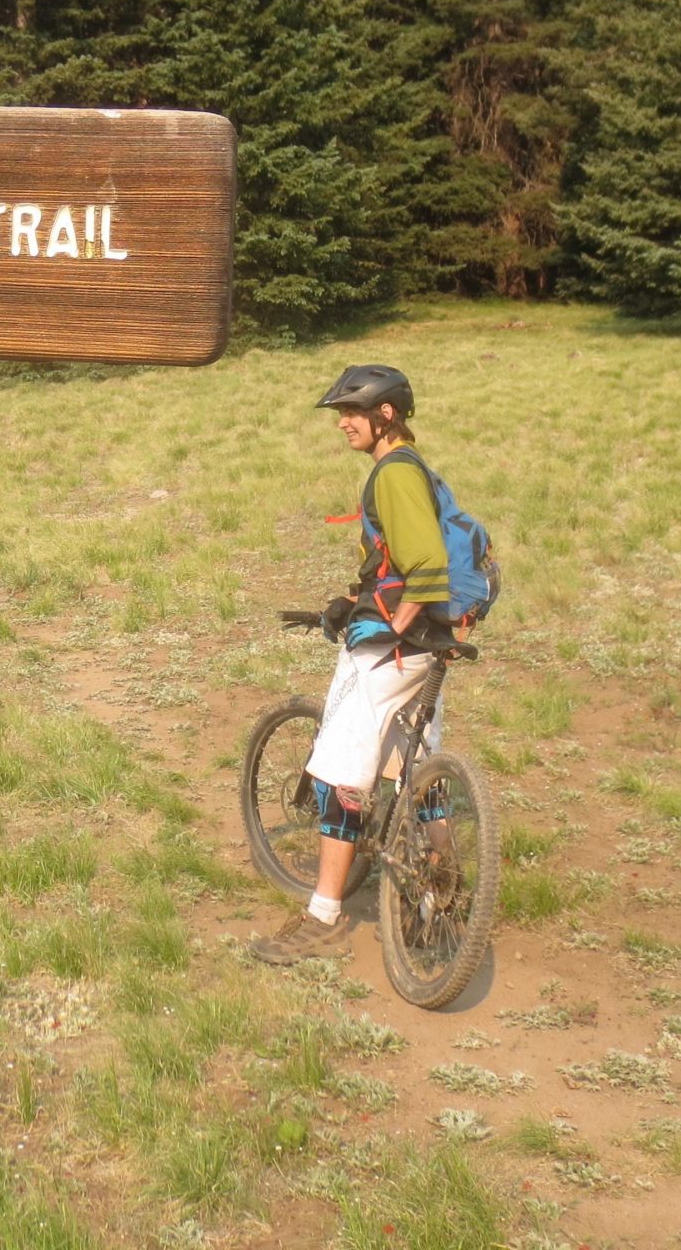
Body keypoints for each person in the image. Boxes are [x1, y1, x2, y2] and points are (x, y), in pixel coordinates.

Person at [251, 363, 452, 965]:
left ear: (385, 414)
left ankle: (323, 917)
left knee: (342, 773)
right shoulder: (419, 470)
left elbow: (428, 563)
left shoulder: (393, 473)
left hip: (393, 651)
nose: (341, 423)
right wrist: (358, 598)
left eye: (350, 412)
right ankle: (437, 899)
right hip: (433, 646)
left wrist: (389, 624)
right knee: (417, 773)